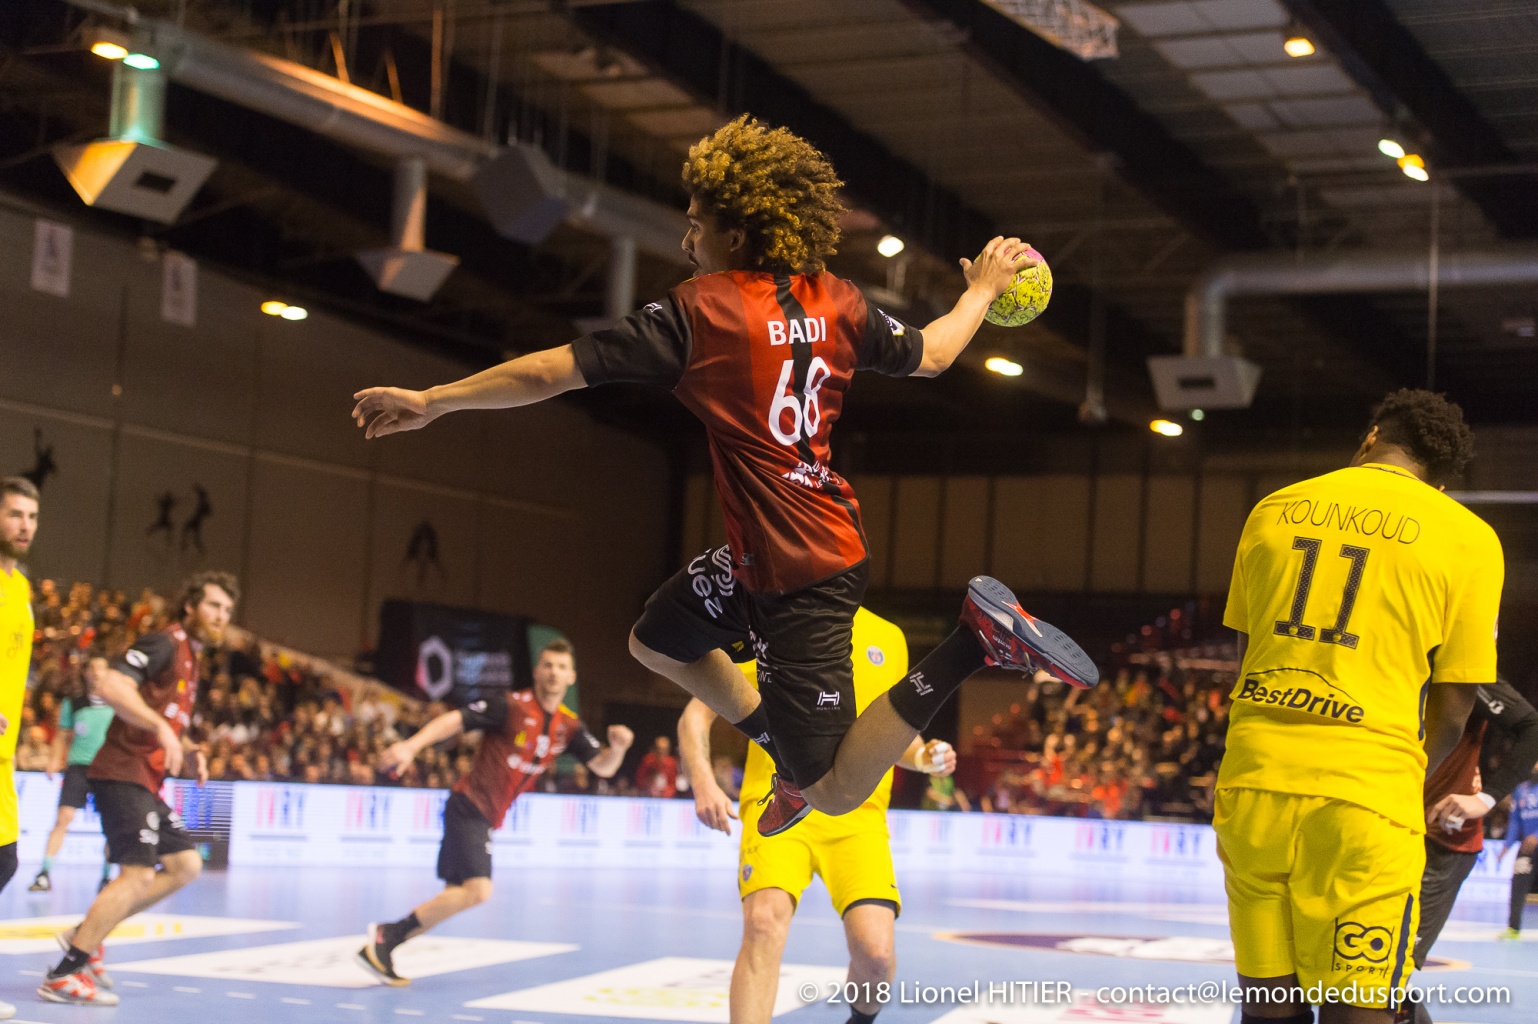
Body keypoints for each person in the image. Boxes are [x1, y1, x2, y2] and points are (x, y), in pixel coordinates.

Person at [352, 115, 1097, 839]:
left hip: (805, 574)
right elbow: (932, 354)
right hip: (771, 554)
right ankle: (784, 750)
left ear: (736, 236)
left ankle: (974, 642)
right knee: (655, 640)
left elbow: (554, 371)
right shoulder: (837, 299)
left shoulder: (701, 313)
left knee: (834, 793)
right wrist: (981, 292)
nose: (687, 240)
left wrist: (434, 400)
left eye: (696, 225)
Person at [1216, 390, 1503, 1024]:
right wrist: (1400, 784)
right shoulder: (1469, 537)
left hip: (1253, 783)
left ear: (1372, 437)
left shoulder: (1274, 507)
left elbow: (1248, 655)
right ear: (1441, 477)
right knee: (1361, 1012)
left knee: (1268, 1008)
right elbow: (1455, 708)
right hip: (1367, 796)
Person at [678, 607, 955, 1024]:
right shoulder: (771, 626)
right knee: (763, 923)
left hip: (857, 818)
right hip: (777, 805)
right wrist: (703, 782)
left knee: (876, 954)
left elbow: (892, 731)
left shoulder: (889, 637)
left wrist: (923, 756)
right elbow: (696, 714)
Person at [357, 639, 633, 985]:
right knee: (478, 890)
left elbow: (603, 767)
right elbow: (456, 720)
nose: (554, 672)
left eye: (561, 667)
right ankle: (388, 935)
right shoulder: (510, 705)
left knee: (457, 895)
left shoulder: (569, 725)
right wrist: (411, 746)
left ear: (571, 677)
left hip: (486, 816)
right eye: (548, 665)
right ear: (537, 672)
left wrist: (619, 748)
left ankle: (386, 944)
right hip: (470, 806)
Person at [39, 571, 236, 1007]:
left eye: (227, 610)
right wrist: (160, 728)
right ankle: (64, 973)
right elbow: (112, 685)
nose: (221, 615)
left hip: (146, 778)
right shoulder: (165, 643)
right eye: (213, 605)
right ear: (191, 607)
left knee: (185, 864)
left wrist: (190, 748)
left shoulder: (192, 658)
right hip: (121, 771)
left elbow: (166, 720)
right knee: (138, 874)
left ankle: (85, 932)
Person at [1400, 681, 1538, 1022]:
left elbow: (1531, 726)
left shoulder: (1459, 669)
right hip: (1386, 829)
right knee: (1354, 969)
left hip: (1441, 841)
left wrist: (1487, 798)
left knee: (1387, 972)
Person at [0, 477, 42, 1021]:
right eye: (14, 514)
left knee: (5, 860)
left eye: (31, 516)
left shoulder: (21, 589)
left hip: (3, 755)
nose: (25, 525)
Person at [30, 658, 117, 893]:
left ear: (108, 672)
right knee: (63, 818)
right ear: (86, 673)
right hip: (78, 767)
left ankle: (107, 876)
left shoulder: (118, 702)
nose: (96, 673)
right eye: (92, 668)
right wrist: (53, 760)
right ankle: (44, 873)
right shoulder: (73, 703)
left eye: (102, 668)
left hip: (108, 769)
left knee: (112, 825)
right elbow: (62, 735)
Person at [1502, 774, 1538, 940]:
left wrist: (1536, 835)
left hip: (1533, 840)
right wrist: (1507, 845)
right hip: (1527, 848)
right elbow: (1515, 819)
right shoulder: (1521, 789)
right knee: (1518, 885)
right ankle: (1513, 928)